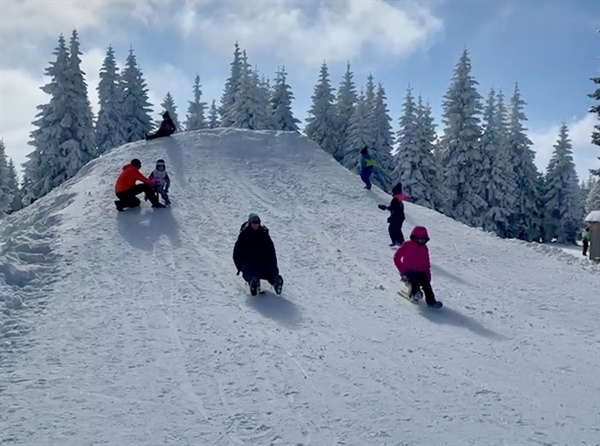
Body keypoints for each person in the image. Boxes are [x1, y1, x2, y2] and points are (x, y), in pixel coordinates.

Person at [233, 213, 284, 296]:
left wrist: (273, 264)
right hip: (249, 260)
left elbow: (270, 250)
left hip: (263, 259)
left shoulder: (263, 233)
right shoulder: (244, 235)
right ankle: (254, 284)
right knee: (249, 271)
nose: (255, 225)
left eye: (257, 223)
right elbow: (237, 252)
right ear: (249, 223)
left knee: (270, 270)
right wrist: (239, 266)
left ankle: (275, 282)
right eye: (253, 223)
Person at [393, 226, 442, 308]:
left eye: (423, 239)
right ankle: (415, 293)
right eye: (419, 238)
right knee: (414, 278)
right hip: (408, 271)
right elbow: (397, 258)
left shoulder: (424, 248)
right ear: (414, 237)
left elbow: (426, 264)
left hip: (421, 271)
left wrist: (428, 276)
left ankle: (431, 301)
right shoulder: (407, 245)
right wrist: (402, 272)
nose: (421, 240)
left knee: (426, 284)